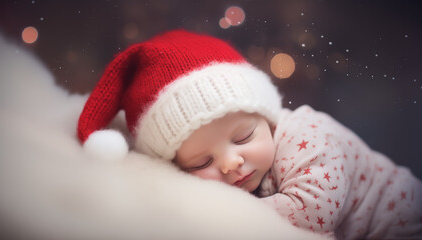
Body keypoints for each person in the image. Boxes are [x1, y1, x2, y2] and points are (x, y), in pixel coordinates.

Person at [77, 29, 422, 239]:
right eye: (202, 162)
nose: (231, 163)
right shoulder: (248, 163)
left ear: (267, 117)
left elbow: (312, 215)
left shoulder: (310, 139)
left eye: (242, 138)